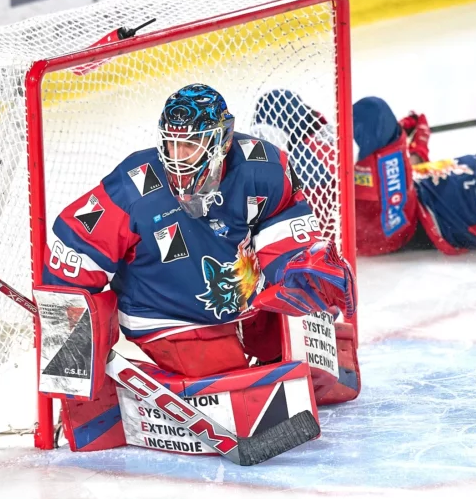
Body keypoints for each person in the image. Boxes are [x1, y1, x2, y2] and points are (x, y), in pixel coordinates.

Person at [42, 83, 358, 386]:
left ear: (222, 140)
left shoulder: (263, 167)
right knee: (238, 388)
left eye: (190, 145)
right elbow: (74, 251)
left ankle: (269, 353)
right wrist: (70, 356)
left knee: (309, 353)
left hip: (243, 299)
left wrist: (298, 270)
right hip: (167, 316)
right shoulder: (133, 187)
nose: (177, 156)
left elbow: (284, 227)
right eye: (171, 143)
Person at [252, 90, 476, 282]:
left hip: (392, 222)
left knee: (374, 111)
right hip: (368, 200)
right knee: (278, 104)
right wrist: (411, 148)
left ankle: (308, 170)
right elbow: (422, 175)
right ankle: (262, 180)